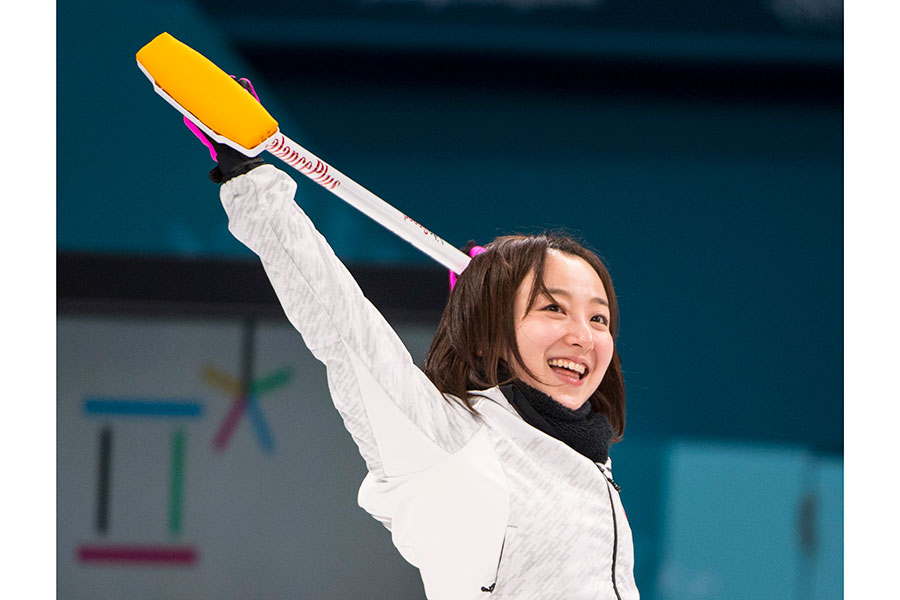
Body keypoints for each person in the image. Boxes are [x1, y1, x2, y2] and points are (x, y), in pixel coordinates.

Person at [189, 79, 639, 599]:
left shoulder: (580, 456)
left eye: (599, 318)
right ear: (489, 332)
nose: (583, 336)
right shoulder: (453, 446)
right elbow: (340, 324)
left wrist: (485, 301)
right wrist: (249, 179)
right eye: (552, 308)